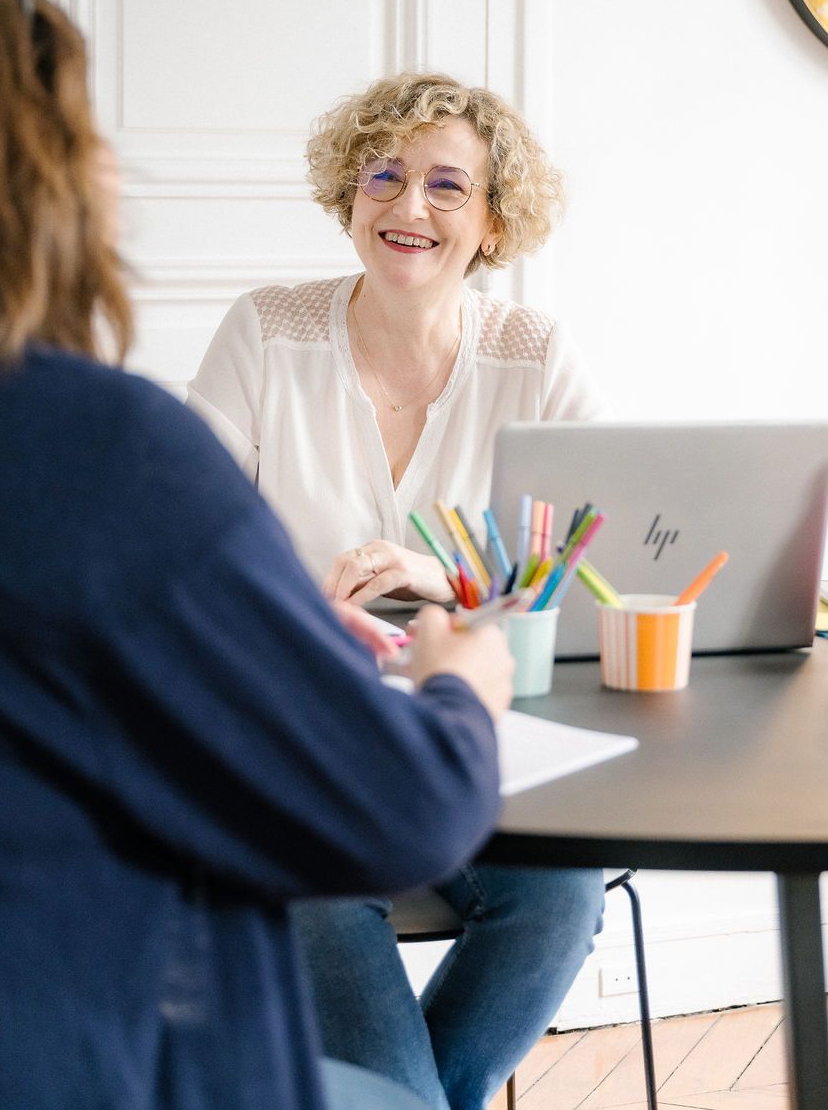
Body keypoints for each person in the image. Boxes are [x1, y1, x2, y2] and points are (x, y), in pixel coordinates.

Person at [0, 0, 514, 1110]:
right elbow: (404, 810)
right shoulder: (94, 449)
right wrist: (460, 689)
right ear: (38, 184)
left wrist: (282, 633)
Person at [189, 72, 608, 1110]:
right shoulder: (266, 332)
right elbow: (181, 550)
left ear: (493, 220)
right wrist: (292, 613)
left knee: (560, 893)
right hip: (298, 743)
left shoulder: (536, 357)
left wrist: (445, 575)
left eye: (446, 185)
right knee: (316, 894)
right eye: (382, 176)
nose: (407, 205)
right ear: (349, 196)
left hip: (480, 744)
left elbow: (587, 570)